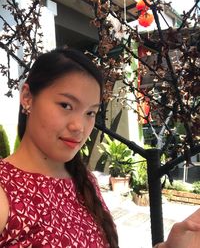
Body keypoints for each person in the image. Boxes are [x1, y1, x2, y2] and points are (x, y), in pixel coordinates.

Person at [0, 47, 199, 248]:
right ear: (27, 97)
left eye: (90, 113)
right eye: (66, 105)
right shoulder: (5, 190)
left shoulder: (84, 180)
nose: (79, 127)